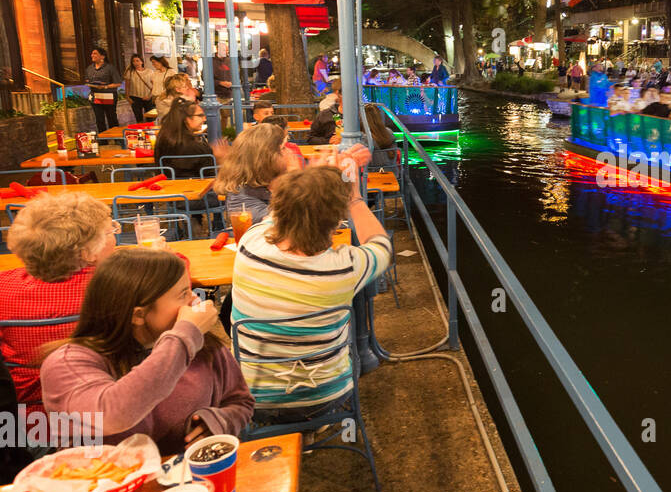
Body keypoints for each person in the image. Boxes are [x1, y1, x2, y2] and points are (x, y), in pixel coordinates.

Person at [40, 249, 253, 455]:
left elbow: (240, 402)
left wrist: (219, 422)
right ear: (138, 315)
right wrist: (186, 336)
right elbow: (115, 414)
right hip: (101, 485)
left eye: (190, 290)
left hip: (190, 482)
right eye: (182, 295)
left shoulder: (200, 345)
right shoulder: (66, 364)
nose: (195, 302)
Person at [231, 161, 392, 419]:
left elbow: (286, 210)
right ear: (334, 221)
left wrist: (307, 179)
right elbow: (381, 245)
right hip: (325, 397)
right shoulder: (345, 267)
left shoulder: (250, 242)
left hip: (251, 401)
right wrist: (355, 198)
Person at [0, 195, 118, 417]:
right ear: (87, 253)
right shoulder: (114, 288)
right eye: (110, 232)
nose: (114, 238)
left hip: (24, 419)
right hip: (96, 411)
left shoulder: (3, 287)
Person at [213, 122, 296, 224]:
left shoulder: (270, 184)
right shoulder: (241, 197)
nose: (289, 152)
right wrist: (294, 175)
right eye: (283, 148)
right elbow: (285, 223)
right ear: (267, 158)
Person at [154, 101, 228, 177]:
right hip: (197, 187)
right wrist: (221, 159)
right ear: (186, 119)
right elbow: (211, 176)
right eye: (200, 115)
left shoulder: (165, 138)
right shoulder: (195, 147)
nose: (204, 119)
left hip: (166, 185)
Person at [85, 47, 123, 133]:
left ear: (102, 56)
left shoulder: (110, 68)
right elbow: (87, 80)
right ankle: (103, 140)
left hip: (108, 96)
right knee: (99, 119)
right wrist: (89, 83)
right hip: (95, 97)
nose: (92, 55)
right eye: (92, 53)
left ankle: (117, 137)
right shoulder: (89, 68)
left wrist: (105, 87)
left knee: (112, 119)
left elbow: (118, 83)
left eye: (95, 53)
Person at [124, 53, 157, 124]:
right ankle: (141, 132)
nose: (135, 63)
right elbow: (127, 86)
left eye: (137, 60)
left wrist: (150, 96)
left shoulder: (149, 71)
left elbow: (154, 85)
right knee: (139, 118)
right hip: (135, 97)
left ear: (142, 61)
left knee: (150, 118)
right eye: (133, 61)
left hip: (148, 97)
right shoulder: (130, 72)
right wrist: (127, 97)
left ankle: (150, 132)